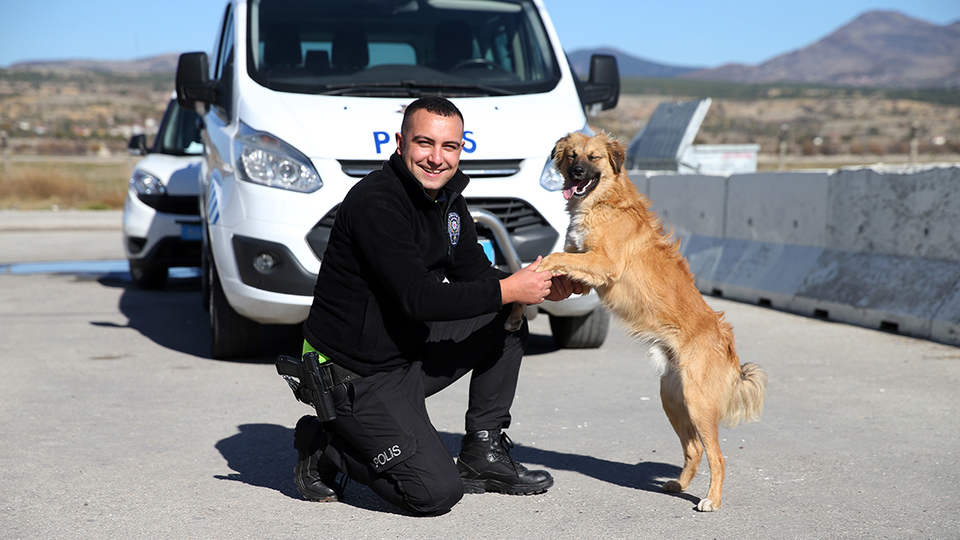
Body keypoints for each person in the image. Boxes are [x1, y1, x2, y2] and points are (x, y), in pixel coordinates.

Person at [291, 96, 580, 516]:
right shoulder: (377, 202)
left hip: (404, 354)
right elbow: (418, 298)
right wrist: (509, 289)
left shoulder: (447, 199)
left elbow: (476, 277)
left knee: (508, 317)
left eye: (449, 147)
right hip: (354, 374)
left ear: (461, 149)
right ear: (400, 142)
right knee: (434, 493)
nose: (436, 158)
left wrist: (538, 286)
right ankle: (326, 446)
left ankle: (483, 453)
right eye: (424, 143)